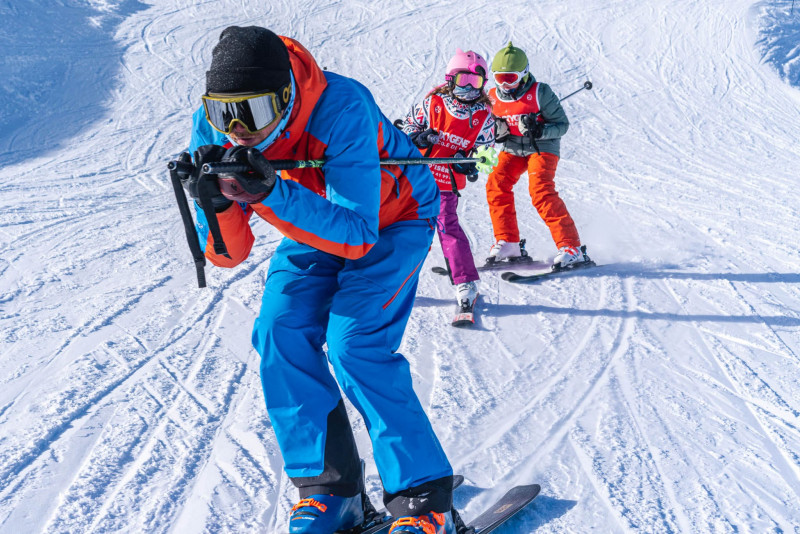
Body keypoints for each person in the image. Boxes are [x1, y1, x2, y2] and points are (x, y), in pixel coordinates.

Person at [177, 26, 455, 534]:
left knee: (354, 344)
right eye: (224, 112)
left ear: (285, 96)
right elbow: (229, 255)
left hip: (393, 218)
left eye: (254, 111)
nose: (237, 128)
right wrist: (215, 203)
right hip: (309, 223)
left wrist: (265, 195)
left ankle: (424, 496)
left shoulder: (340, 106)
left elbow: (357, 234)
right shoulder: (212, 128)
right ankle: (332, 490)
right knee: (279, 332)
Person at [399, 49, 495, 311]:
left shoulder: (484, 116)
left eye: (475, 83)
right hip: (417, 177)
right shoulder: (434, 104)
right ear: (451, 79)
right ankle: (395, 281)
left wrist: (471, 163)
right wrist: (417, 138)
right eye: (464, 80)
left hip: (446, 182)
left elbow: (487, 152)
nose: (470, 88)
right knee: (409, 230)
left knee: (447, 228)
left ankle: (465, 282)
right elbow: (406, 127)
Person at [486, 41, 591, 269]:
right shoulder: (493, 97)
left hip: (542, 148)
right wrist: (497, 132)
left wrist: (540, 130)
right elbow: (483, 128)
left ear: (523, 75)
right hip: (513, 149)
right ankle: (508, 243)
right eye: (500, 78)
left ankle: (571, 247)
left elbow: (562, 125)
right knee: (496, 183)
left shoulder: (540, 93)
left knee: (540, 189)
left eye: (511, 78)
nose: (506, 85)